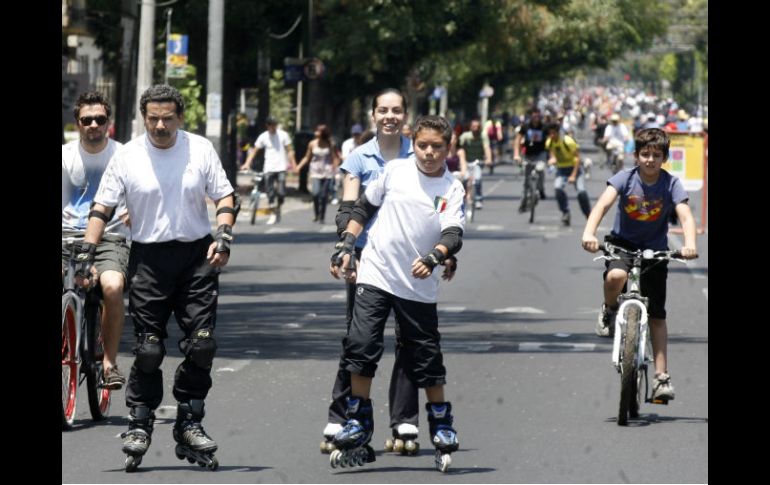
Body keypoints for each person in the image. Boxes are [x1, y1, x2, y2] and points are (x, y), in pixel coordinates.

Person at [78, 84, 236, 469]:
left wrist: (225, 235)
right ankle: (139, 421)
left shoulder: (199, 149)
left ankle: (189, 419)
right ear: (143, 118)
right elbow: (103, 206)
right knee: (149, 348)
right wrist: (87, 251)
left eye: (168, 118)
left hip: (196, 258)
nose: (160, 125)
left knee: (201, 344)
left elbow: (226, 197)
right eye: (153, 118)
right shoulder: (129, 155)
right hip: (148, 260)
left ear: (180, 117)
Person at [329, 115, 463, 468]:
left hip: (418, 283)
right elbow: (364, 207)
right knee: (360, 344)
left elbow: (452, 233)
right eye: (423, 145)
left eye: (437, 146)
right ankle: (358, 419)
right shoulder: (395, 171)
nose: (429, 153)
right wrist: (346, 243)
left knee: (426, 357)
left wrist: (437, 256)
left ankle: (441, 423)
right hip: (376, 271)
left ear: (448, 148)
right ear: (413, 143)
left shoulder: (451, 188)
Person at [322, 88, 422, 455]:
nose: (390, 116)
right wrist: (347, 251)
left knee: (411, 341)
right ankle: (342, 415)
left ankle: (405, 420)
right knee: (359, 340)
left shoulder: (420, 153)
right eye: (383, 110)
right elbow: (348, 210)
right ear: (373, 115)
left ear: (405, 115)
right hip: (369, 261)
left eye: (397, 110)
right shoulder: (360, 157)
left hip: (412, 262)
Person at [581, 128, 698, 402]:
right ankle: (609, 310)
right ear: (636, 156)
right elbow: (601, 206)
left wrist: (690, 244)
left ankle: (661, 377)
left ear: (665, 158)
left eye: (656, 155)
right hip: (622, 245)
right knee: (615, 276)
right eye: (645, 154)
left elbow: (686, 216)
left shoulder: (671, 184)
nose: (650, 160)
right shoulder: (625, 178)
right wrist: (589, 233)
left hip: (655, 251)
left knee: (657, 315)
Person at [62, 91, 128, 390]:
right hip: (65, 236)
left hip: (109, 237)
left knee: (113, 287)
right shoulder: (64, 156)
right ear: (77, 123)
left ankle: (110, 364)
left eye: (99, 119)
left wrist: (134, 213)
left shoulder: (124, 156)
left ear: (108, 123)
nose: (93, 125)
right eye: (86, 119)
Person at [240, 116, 297, 224]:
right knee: (270, 192)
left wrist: (294, 165)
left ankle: (279, 206)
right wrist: (247, 163)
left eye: (275, 124)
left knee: (281, 192)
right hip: (269, 168)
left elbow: (290, 150)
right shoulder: (263, 137)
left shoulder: (283, 135)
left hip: (281, 167)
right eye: (272, 125)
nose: (274, 127)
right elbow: (254, 151)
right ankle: (273, 213)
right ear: (268, 126)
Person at [544, 123, 591, 226]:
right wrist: (552, 160)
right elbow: (552, 154)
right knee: (558, 189)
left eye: (553, 133)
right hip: (561, 169)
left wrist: (573, 175)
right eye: (550, 134)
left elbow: (578, 158)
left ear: (558, 132)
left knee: (581, 192)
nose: (552, 136)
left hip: (575, 168)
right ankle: (565, 212)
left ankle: (588, 215)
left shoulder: (568, 141)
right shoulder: (549, 143)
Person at [294, 124, 339, 223]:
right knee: (315, 193)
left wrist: (335, 168)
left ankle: (322, 216)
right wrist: (298, 167)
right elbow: (307, 157)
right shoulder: (312, 144)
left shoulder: (330, 144)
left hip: (327, 172)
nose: (316, 133)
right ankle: (317, 214)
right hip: (315, 172)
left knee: (323, 195)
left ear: (323, 134)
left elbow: (335, 157)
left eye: (318, 131)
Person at [514, 107, 548, 211]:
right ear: (531, 116)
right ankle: (524, 201)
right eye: (534, 115)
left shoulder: (544, 127)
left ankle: (541, 189)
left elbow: (550, 141)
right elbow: (517, 140)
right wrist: (516, 154)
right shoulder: (525, 127)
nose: (536, 117)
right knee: (526, 179)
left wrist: (552, 157)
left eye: (538, 115)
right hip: (527, 154)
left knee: (540, 170)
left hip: (540, 153)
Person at [457, 117, 492, 209]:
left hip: (477, 162)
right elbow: (458, 146)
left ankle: (478, 199)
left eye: (477, 126)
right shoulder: (465, 136)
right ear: (470, 127)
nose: (476, 128)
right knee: (464, 179)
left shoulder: (483, 136)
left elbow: (487, 148)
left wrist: (489, 159)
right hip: (466, 162)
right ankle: (461, 197)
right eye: (474, 126)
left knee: (478, 179)